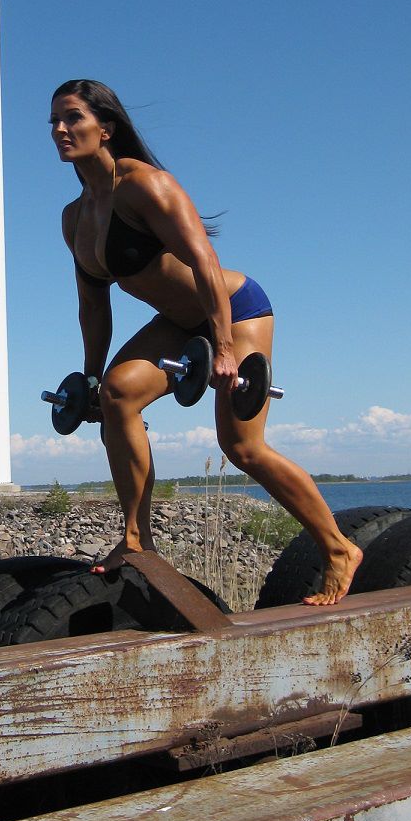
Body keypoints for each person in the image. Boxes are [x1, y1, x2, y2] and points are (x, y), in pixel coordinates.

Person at [50, 78, 362, 606]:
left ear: (106, 128)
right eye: (54, 122)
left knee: (241, 447)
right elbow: (92, 304)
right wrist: (91, 374)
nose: (60, 129)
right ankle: (136, 539)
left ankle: (337, 549)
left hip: (232, 310)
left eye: (73, 118)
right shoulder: (75, 218)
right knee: (119, 392)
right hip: (177, 320)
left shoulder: (146, 185)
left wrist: (222, 347)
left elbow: (205, 264)